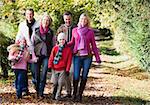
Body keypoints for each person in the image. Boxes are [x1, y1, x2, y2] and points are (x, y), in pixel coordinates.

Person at [68, 13, 101, 102]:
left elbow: (93, 45)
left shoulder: (90, 32)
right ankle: (74, 93)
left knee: (84, 76)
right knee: (75, 76)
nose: (83, 21)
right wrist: (64, 45)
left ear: (87, 21)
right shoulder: (74, 30)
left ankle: (80, 95)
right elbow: (72, 42)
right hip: (77, 56)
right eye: (82, 19)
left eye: (85, 20)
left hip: (87, 57)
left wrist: (97, 57)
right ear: (79, 20)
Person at [32, 13, 55, 98]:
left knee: (44, 73)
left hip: (47, 55)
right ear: (41, 21)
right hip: (37, 54)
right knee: (36, 74)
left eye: (47, 20)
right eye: (44, 20)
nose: (46, 22)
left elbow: (53, 44)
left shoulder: (51, 32)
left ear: (49, 22)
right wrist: (33, 55)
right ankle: (36, 86)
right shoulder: (36, 30)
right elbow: (32, 43)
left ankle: (40, 93)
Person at [15, 8, 39, 90]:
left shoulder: (38, 24)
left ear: (33, 14)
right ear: (25, 15)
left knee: (34, 70)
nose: (29, 16)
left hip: (34, 51)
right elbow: (19, 36)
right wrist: (17, 46)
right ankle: (25, 89)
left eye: (31, 14)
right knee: (24, 70)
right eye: (28, 14)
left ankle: (35, 83)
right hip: (24, 50)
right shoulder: (22, 25)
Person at [48, 32, 72, 100]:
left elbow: (69, 61)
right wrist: (49, 66)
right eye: (60, 39)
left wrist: (67, 70)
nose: (62, 41)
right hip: (55, 68)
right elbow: (51, 58)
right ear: (58, 40)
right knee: (55, 83)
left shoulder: (68, 50)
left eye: (63, 39)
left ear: (65, 40)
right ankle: (54, 92)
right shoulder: (55, 48)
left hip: (63, 69)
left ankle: (58, 95)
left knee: (61, 83)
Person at [57, 11, 76, 98]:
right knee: (64, 73)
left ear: (71, 19)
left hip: (73, 54)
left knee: (71, 72)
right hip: (63, 54)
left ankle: (70, 91)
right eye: (66, 19)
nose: (67, 21)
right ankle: (68, 92)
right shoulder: (61, 28)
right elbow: (56, 40)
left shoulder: (75, 28)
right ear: (64, 19)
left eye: (69, 19)